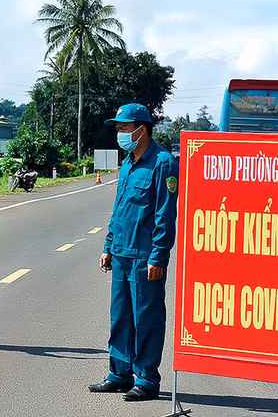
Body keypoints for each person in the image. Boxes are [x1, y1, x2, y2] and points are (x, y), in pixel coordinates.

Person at [89, 103, 179, 402]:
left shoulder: (163, 163)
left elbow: (165, 216)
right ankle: (119, 373)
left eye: (124, 128)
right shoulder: (128, 162)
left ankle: (147, 379)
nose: (119, 133)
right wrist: (107, 246)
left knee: (147, 318)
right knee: (120, 317)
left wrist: (158, 256)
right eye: (118, 128)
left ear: (142, 129)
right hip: (122, 252)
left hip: (145, 256)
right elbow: (119, 209)